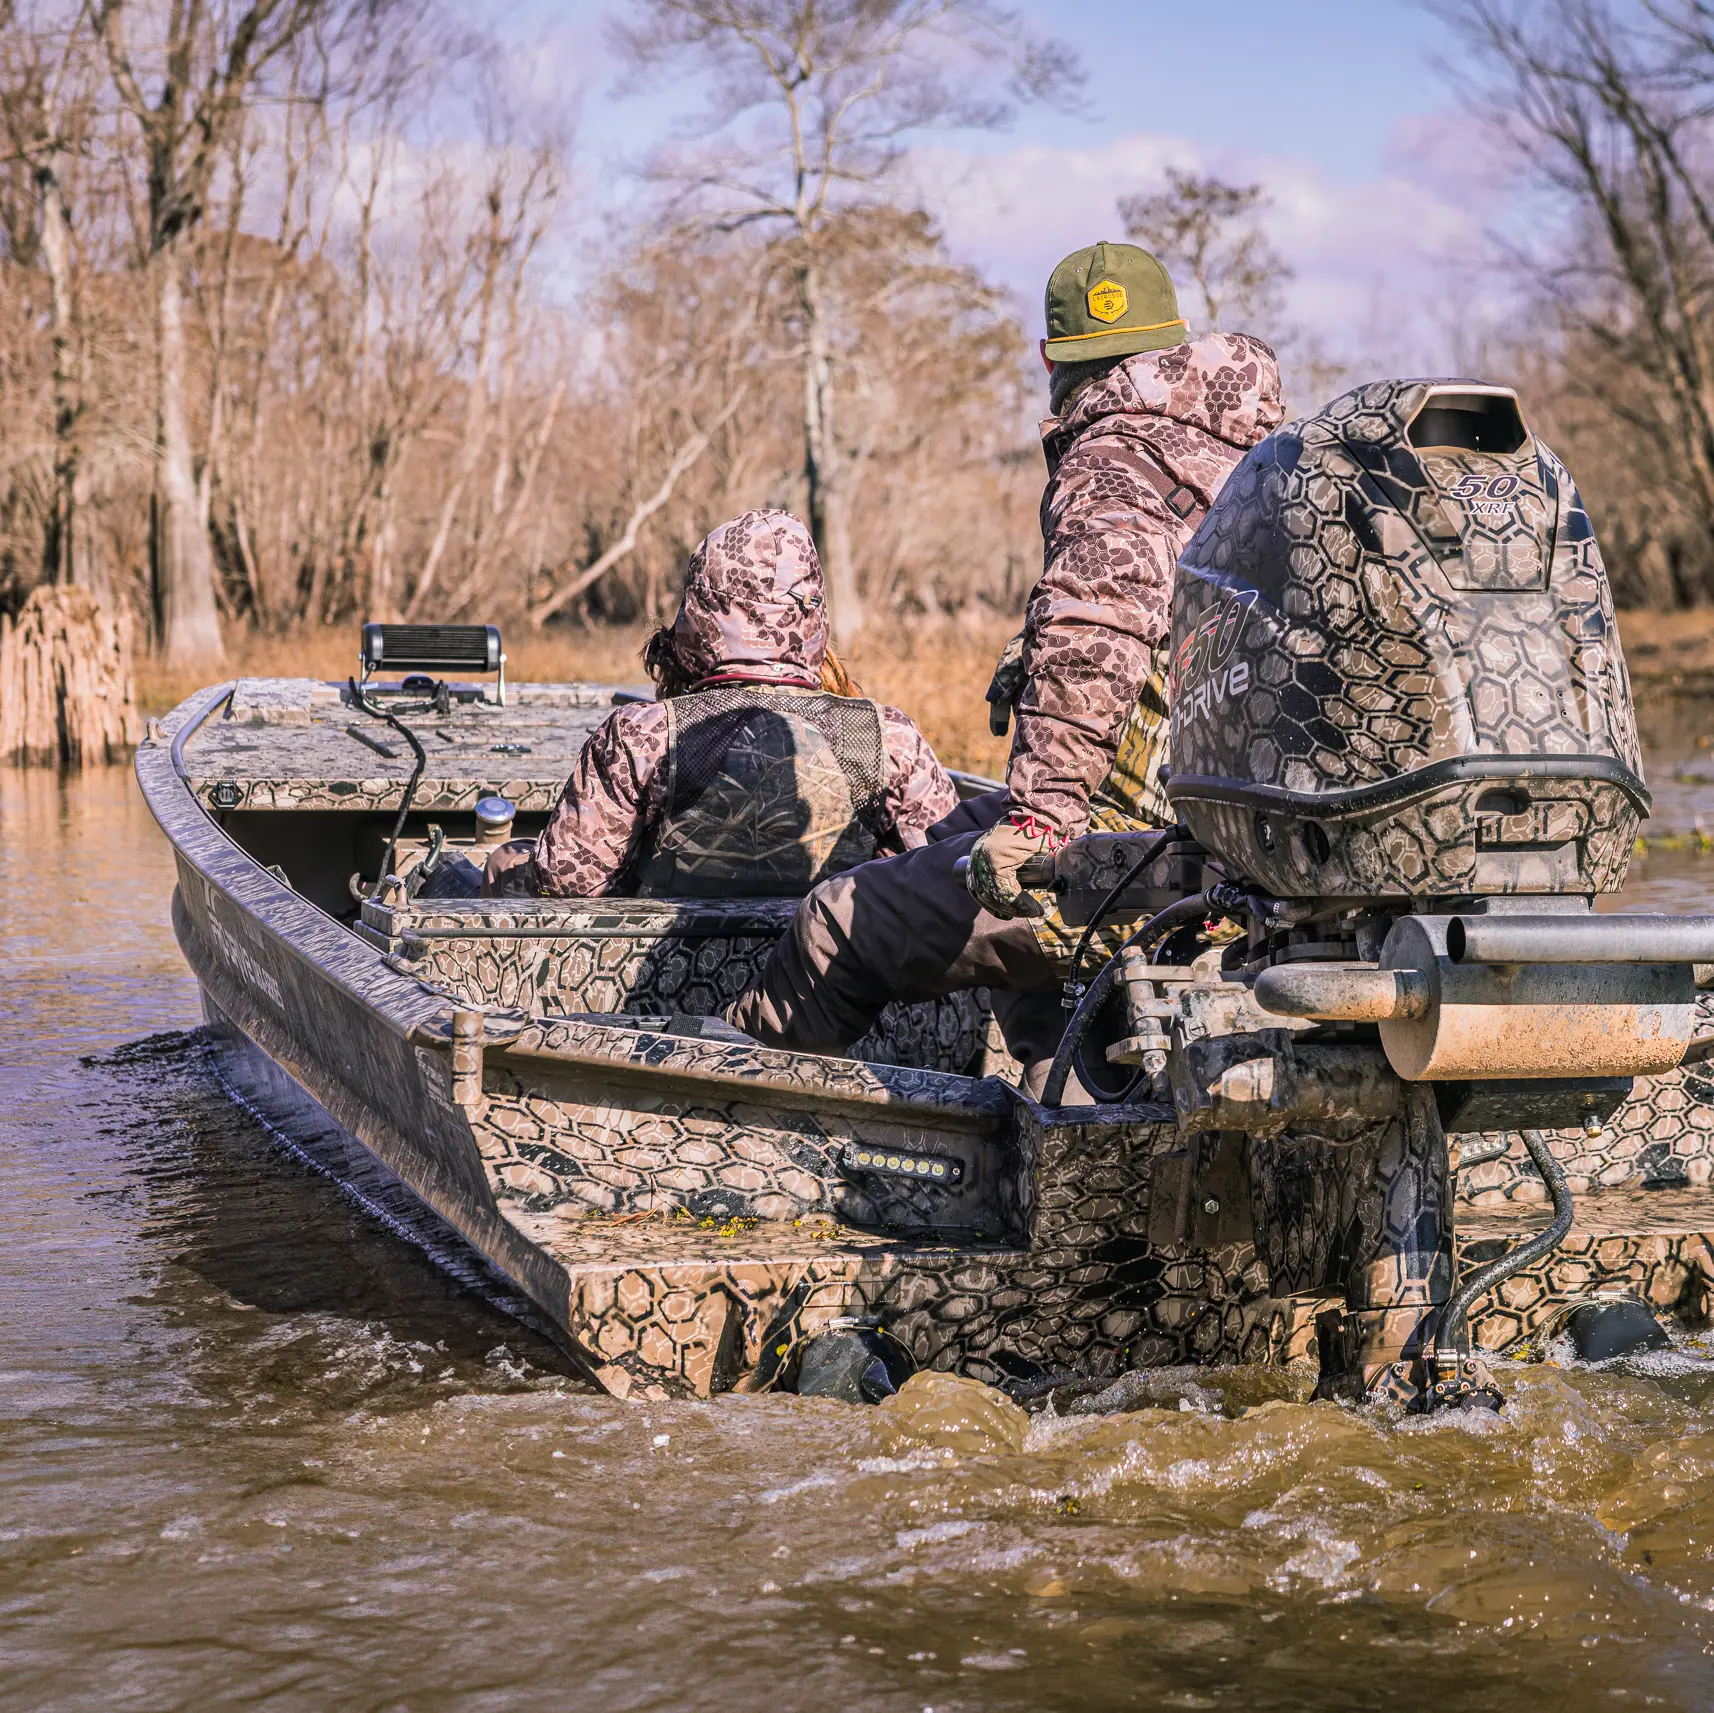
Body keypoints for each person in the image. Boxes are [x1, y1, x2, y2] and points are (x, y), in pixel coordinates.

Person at [728, 242, 1285, 1085]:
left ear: (1052, 359)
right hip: (1231, 836)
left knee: (834, 921)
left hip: (1144, 858)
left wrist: (1041, 820)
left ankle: (712, 1112)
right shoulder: (1249, 460)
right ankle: (1067, 1108)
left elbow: (1091, 632)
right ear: (1172, 338)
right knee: (958, 832)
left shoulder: (1115, 458)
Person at [483, 508, 957, 899]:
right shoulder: (889, 737)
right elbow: (947, 875)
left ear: (701, 611)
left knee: (499, 861)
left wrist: (506, 863)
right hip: (826, 1002)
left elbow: (563, 886)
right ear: (814, 611)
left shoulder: (640, 736)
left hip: (660, 1000)